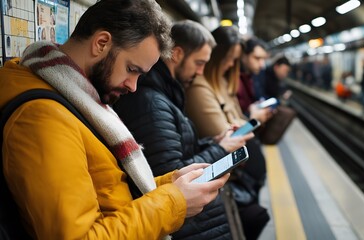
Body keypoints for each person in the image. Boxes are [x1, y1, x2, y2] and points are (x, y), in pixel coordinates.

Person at [0, 1, 229, 239]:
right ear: (101, 43)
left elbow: (107, 191)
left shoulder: (76, 97)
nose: (133, 86)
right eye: (131, 69)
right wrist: (174, 202)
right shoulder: (43, 118)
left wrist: (169, 184)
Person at [113, 20, 253, 239]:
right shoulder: (151, 103)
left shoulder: (166, 93)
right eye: (198, 63)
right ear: (177, 54)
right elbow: (170, 173)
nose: (200, 72)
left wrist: (215, 142)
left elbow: (180, 150)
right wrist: (222, 148)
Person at [184, 25, 270, 240]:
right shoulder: (200, 89)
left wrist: (247, 123)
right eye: (230, 58)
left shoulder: (222, 82)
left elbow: (235, 122)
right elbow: (223, 135)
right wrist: (253, 121)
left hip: (244, 176)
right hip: (230, 179)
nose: (233, 65)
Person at [237, 37, 272, 120]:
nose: (261, 65)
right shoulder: (234, 79)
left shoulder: (256, 76)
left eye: (263, 59)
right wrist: (251, 115)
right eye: (257, 58)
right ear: (244, 56)